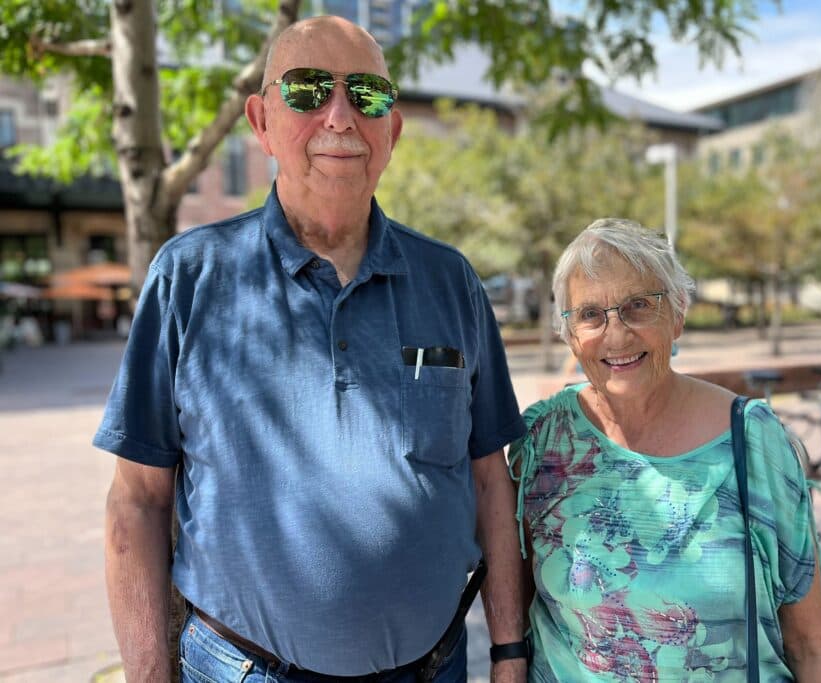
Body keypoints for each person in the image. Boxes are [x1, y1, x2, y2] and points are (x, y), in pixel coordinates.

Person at [94, 16, 528, 683]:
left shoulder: (451, 281)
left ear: (393, 131)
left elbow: (490, 479)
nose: (339, 115)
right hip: (243, 671)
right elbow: (137, 502)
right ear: (260, 120)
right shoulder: (190, 276)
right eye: (305, 90)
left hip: (433, 668)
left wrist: (507, 651)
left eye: (367, 95)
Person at [509, 218, 821, 681]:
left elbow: (810, 641)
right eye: (590, 314)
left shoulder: (754, 441)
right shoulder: (545, 441)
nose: (616, 333)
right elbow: (519, 611)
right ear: (568, 333)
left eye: (639, 305)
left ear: (679, 313)